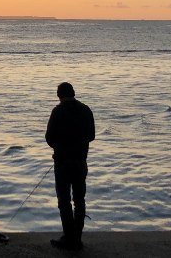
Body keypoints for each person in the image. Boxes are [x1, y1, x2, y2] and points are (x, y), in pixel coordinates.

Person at [45, 82, 96, 250]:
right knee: (79, 200)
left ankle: (69, 238)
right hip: (81, 162)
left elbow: (49, 138)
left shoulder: (57, 111)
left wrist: (61, 146)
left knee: (64, 201)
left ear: (59, 96)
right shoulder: (86, 109)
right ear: (73, 93)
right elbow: (91, 136)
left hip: (63, 163)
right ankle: (77, 238)